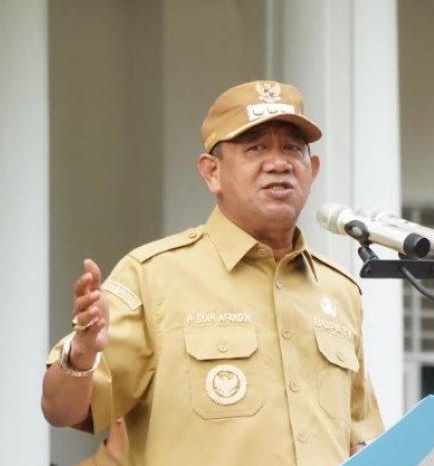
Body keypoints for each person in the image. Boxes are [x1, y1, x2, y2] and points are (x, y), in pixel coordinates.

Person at [41, 80, 384, 466]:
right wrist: (82, 353)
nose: (279, 163)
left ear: (313, 169)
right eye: (256, 148)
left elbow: (359, 439)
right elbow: (61, 411)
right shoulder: (154, 275)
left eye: (292, 148)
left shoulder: (338, 291)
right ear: (212, 173)